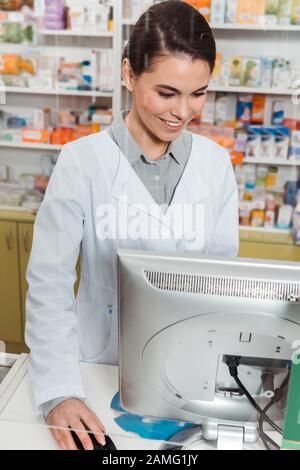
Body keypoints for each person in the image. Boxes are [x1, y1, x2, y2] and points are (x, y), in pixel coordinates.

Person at [25, 0, 239, 451]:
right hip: (95, 367)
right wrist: (60, 392)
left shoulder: (216, 165)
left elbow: (224, 285)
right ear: (128, 73)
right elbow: (49, 284)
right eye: (166, 93)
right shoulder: (82, 162)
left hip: (186, 374)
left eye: (197, 93)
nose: (183, 112)